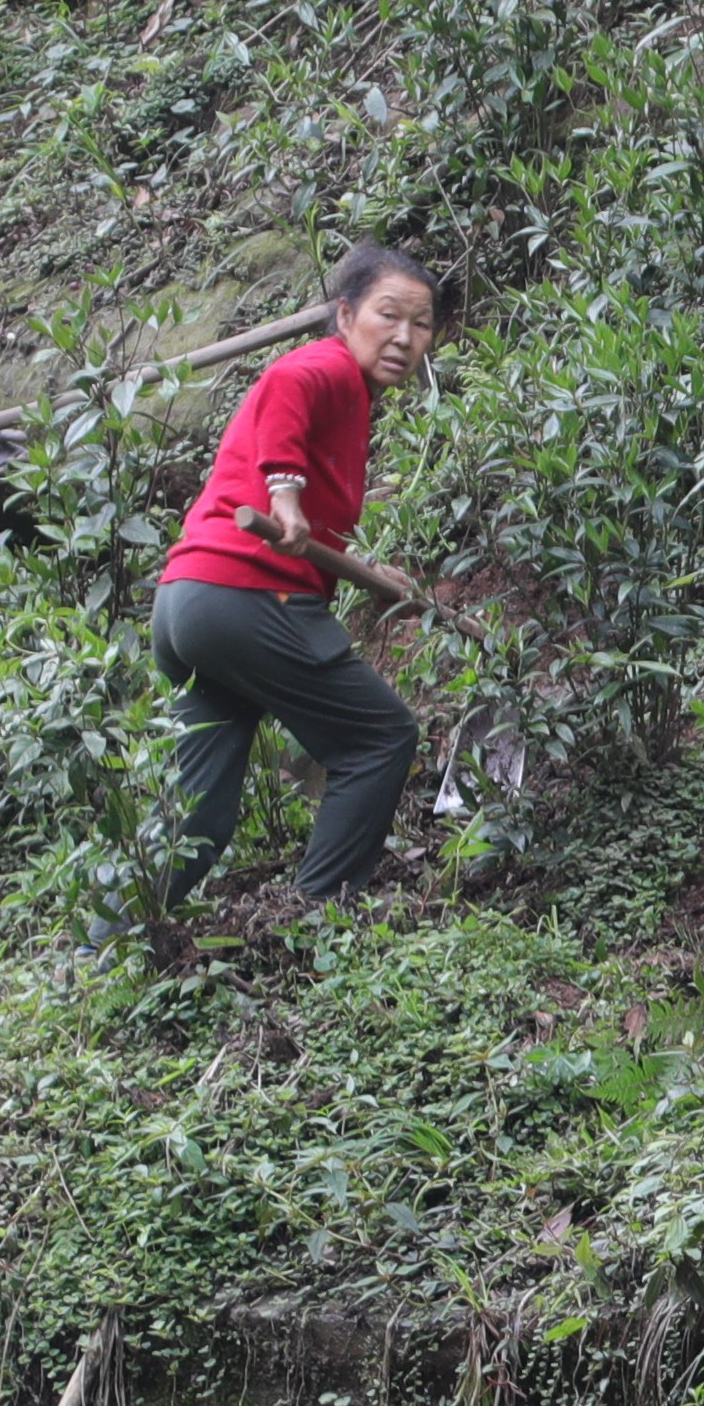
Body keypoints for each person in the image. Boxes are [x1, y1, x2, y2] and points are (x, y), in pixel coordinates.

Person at [151, 247, 442, 931]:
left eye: (422, 324)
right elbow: (286, 390)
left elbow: (310, 529)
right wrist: (285, 493)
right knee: (380, 737)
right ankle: (318, 926)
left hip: (188, 603)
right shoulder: (329, 366)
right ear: (345, 315)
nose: (404, 337)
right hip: (247, 596)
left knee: (202, 809)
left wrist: (369, 574)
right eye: (388, 316)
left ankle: (105, 946)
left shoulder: (353, 395)